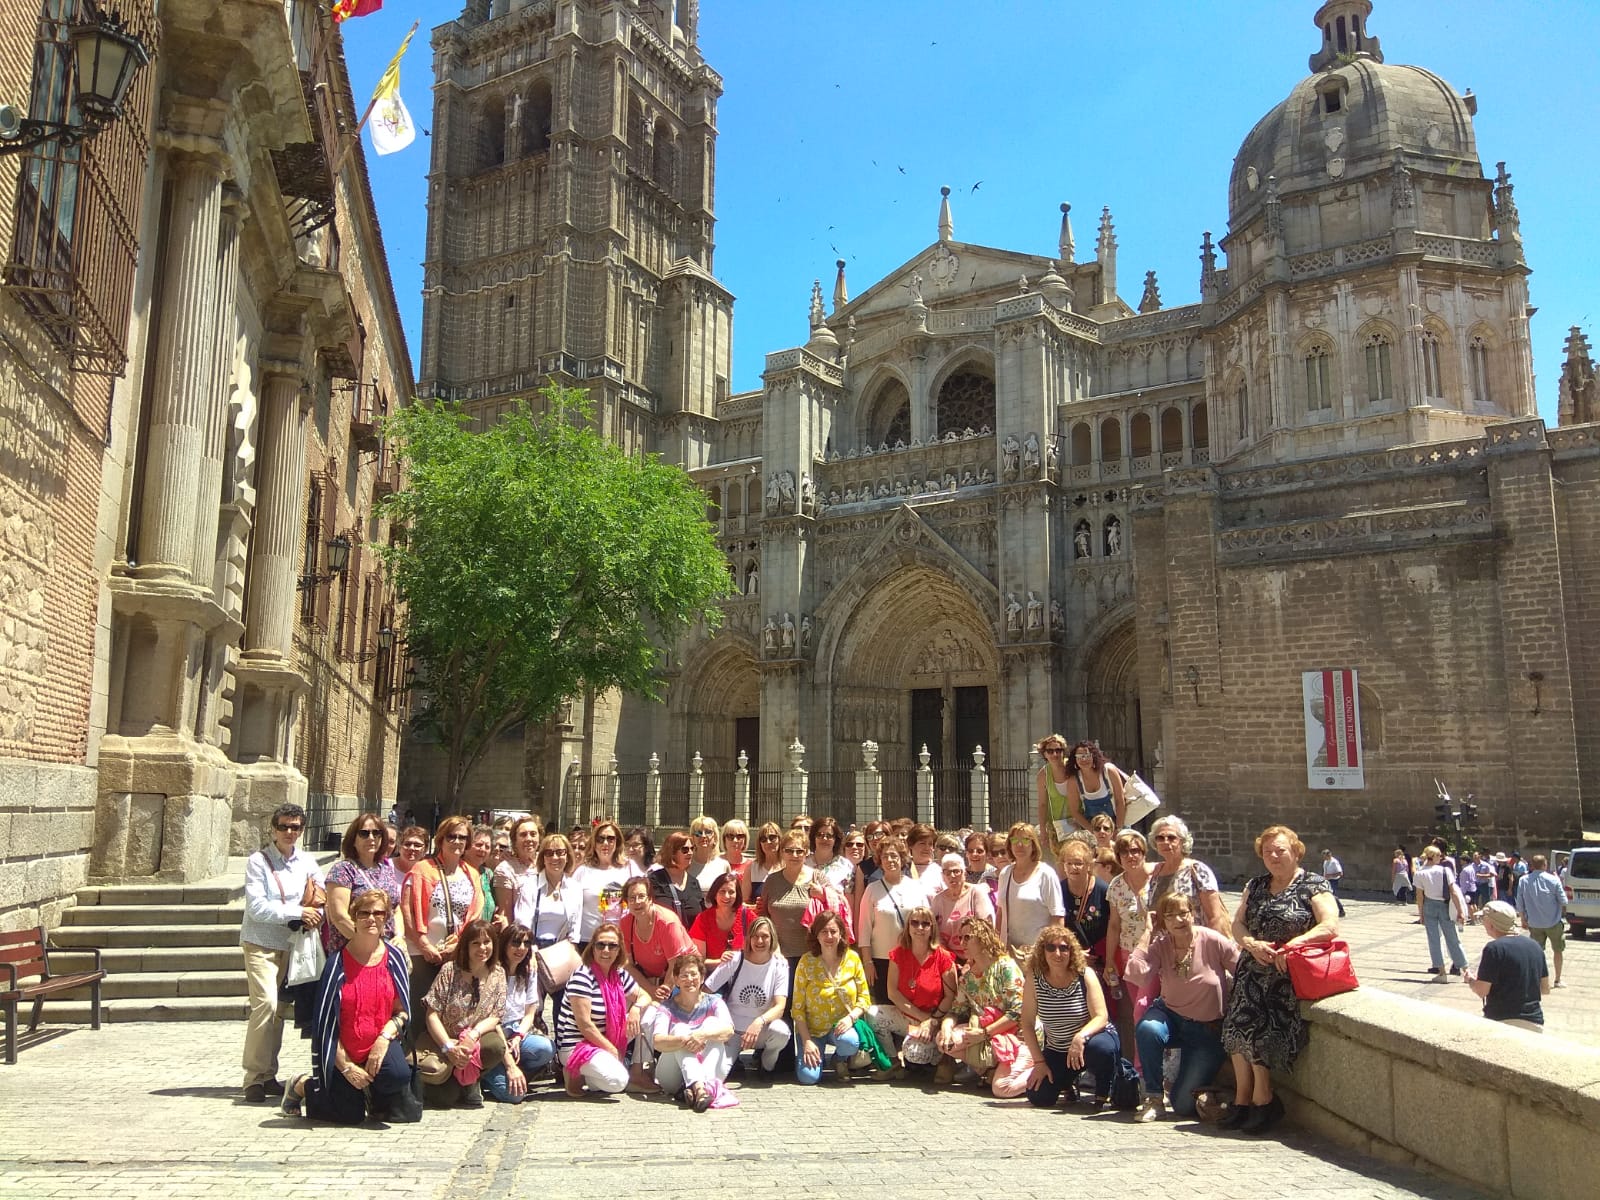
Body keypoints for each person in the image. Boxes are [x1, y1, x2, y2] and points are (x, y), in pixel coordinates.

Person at [1220, 825, 1338, 1134]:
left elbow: (1330, 925)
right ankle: (1242, 1099)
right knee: (1235, 1026)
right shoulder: (1256, 885)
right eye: (1267, 851)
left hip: (1288, 973)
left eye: (1280, 850)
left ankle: (1264, 1098)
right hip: (1252, 966)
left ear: (1296, 852)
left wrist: (1294, 944)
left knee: (1260, 1027)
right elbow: (1238, 924)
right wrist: (1251, 944)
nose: (1273, 856)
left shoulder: (1313, 884)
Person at [280, 890, 414, 1124]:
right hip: (343, 1050)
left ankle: (372, 1095)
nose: (371, 919)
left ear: (387, 918)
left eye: (379, 913)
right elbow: (325, 1026)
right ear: (354, 916)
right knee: (348, 1116)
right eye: (364, 913)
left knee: (398, 1076)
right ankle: (302, 1086)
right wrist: (346, 1067)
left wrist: (384, 1039)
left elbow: (402, 1012)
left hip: (378, 1042)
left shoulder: (395, 958)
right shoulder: (336, 965)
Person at [1126, 891, 1237, 1121]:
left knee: (1183, 1105)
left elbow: (1242, 969)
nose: (1178, 920)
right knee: (1148, 1029)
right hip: (1171, 1015)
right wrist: (1148, 932)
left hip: (1206, 1029)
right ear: (1163, 921)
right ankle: (1154, 1098)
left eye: (1183, 913)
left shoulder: (1211, 940)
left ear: (1193, 914)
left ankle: (1197, 1088)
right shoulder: (1161, 944)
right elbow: (1138, 975)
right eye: (1170, 916)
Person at [240, 803, 326, 1103]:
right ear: (273, 829)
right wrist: (298, 911)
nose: (290, 832)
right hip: (261, 943)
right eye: (284, 827)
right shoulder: (258, 861)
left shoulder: (307, 862)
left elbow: (321, 894)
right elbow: (257, 907)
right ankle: (252, 1077)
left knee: (277, 1012)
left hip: (293, 946)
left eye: (296, 827)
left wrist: (316, 911)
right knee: (265, 1004)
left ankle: (268, 1075)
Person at [1018, 925, 1118, 1109]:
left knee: (1101, 1050)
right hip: (1058, 1048)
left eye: (1064, 948)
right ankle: (1066, 1083)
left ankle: (1107, 1087)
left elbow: (1101, 1016)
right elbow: (1027, 1022)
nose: (1057, 953)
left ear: (1072, 951)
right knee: (1039, 1096)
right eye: (1051, 947)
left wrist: (1080, 1037)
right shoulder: (1034, 978)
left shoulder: (1085, 974)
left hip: (1090, 1042)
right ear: (1042, 951)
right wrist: (1039, 1062)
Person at [401, 815, 484, 1037]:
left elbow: (474, 915)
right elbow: (407, 910)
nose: (457, 841)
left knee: (451, 1012)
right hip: (422, 953)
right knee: (420, 1012)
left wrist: (458, 945)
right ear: (441, 839)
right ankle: (417, 1065)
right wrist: (424, 943)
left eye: (462, 837)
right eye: (451, 836)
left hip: (456, 954)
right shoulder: (422, 869)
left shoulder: (471, 874)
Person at [936, 916, 1032, 1097]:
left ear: (983, 938)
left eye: (967, 937)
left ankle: (1043, 1073)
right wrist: (946, 1028)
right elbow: (956, 1010)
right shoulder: (968, 977)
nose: (961, 943)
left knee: (1002, 1089)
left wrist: (984, 1033)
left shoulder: (1006, 967)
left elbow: (1017, 1012)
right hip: (990, 1035)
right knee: (945, 1041)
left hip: (1019, 1037)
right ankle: (988, 1071)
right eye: (960, 938)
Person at [416, 919, 507, 1107]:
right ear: (466, 946)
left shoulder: (498, 973)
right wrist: (449, 1047)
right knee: (445, 1099)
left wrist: (472, 1036)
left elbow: (496, 1015)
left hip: (474, 1042)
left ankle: (472, 1079)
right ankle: (453, 1081)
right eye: (476, 943)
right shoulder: (450, 971)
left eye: (487, 942)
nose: (482, 948)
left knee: (496, 1046)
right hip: (444, 1041)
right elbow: (431, 1014)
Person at [553, 924, 653, 1096]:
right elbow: (585, 1025)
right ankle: (575, 1072)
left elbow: (645, 997)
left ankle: (637, 1073)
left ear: (619, 949)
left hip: (605, 1039)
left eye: (612, 946)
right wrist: (612, 1050)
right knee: (618, 1081)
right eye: (601, 945)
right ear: (593, 948)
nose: (606, 950)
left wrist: (636, 1009)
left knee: (651, 1012)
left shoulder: (619, 974)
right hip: (577, 1045)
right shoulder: (583, 976)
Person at [647, 950, 736, 1110]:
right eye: (684, 975)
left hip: (711, 1067)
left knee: (712, 1023)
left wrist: (702, 1035)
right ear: (676, 980)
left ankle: (694, 1089)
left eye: (694, 975)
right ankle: (700, 1088)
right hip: (671, 1075)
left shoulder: (715, 1002)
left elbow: (729, 1031)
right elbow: (657, 1042)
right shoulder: (666, 1007)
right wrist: (685, 1040)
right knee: (680, 1029)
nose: (690, 980)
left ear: (702, 978)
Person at [872, 905, 956, 1071]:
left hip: (934, 1018)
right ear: (908, 927)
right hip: (908, 1016)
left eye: (925, 924)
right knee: (872, 1015)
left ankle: (939, 1056)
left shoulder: (943, 957)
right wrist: (921, 1017)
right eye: (915, 923)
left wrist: (931, 1021)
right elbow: (893, 993)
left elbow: (951, 996)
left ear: (932, 928)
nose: (919, 928)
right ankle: (893, 1062)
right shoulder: (898, 954)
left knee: (915, 1054)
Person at [704, 916, 791, 1074]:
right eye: (755, 936)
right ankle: (733, 1061)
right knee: (717, 1074)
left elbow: (780, 1007)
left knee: (782, 1032)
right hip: (732, 1030)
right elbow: (707, 989)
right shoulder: (735, 960)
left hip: (761, 1030)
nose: (759, 941)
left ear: (772, 939)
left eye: (765, 936)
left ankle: (766, 1064)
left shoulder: (780, 965)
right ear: (749, 938)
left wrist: (759, 1022)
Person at [791, 910, 870, 1084]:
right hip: (812, 1030)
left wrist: (850, 1018)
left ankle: (839, 1059)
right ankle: (816, 1055)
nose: (829, 936)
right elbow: (797, 1009)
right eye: (824, 932)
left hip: (840, 1028)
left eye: (833, 931)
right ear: (816, 935)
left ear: (841, 934)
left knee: (850, 1042)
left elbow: (864, 998)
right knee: (808, 1078)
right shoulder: (806, 962)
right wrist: (807, 1041)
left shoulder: (853, 959)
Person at [485, 922, 554, 1102]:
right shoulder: (493, 972)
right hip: (493, 1035)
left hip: (515, 1030)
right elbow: (492, 1019)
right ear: (505, 944)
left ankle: (517, 1074)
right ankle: (490, 1071)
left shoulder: (529, 971)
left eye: (526, 943)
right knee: (515, 1096)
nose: (521, 948)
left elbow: (530, 1012)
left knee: (546, 1049)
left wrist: (518, 1036)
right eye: (515, 943)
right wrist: (508, 1063)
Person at [856, 836, 924, 1003]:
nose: (890, 860)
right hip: (881, 961)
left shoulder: (915, 887)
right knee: (885, 1009)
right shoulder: (872, 889)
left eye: (894, 855)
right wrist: (867, 962)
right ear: (880, 861)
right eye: (885, 856)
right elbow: (864, 929)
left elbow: (927, 921)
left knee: (911, 1006)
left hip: (911, 957)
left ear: (902, 859)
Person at [323, 812, 402, 954]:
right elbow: (339, 916)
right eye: (364, 834)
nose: (371, 838)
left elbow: (396, 908)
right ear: (353, 839)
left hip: (385, 950)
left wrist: (399, 936)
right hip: (353, 951)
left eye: (376, 833)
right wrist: (370, 945)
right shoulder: (343, 870)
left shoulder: (386, 869)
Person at [1464, 901, 1549, 1031]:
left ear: (1491, 924)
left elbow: (1482, 991)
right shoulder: (1535, 946)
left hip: (1503, 1020)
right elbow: (1545, 989)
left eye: (1483, 919)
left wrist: (1470, 980)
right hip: (1534, 1021)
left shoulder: (1494, 949)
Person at [1145, 815, 1231, 936]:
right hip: (1162, 948)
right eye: (1160, 838)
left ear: (1182, 841)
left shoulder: (1198, 870)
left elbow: (1215, 917)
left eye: (1171, 837)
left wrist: (1208, 948)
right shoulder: (1155, 873)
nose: (1165, 842)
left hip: (1194, 944)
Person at [617, 875, 694, 1002]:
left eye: (641, 896)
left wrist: (662, 992)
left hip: (681, 975)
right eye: (632, 898)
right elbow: (628, 965)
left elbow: (676, 964)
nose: (637, 902)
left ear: (650, 898)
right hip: (650, 980)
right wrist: (650, 989)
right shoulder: (625, 923)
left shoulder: (667, 922)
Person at [996, 822, 1064, 954]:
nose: (1019, 845)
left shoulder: (1046, 874)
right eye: (1014, 840)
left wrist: (1050, 950)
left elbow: (1057, 916)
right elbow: (1000, 912)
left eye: (1025, 840)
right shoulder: (1005, 873)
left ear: (1033, 845)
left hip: (1038, 952)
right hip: (1009, 952)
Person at [574, 818, 639, 944]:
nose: (605, 843)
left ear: (617, 842)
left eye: (610, 839)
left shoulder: (630, 868)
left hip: (621, 940)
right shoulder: (582, 871)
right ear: (594, 842)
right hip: (588, 941)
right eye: (600, 839)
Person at [1057, 832, 1109, 972]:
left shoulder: (1104, 891)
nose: (1074, 867)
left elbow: (1113, 927)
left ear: (1088, 865)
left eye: (1079, 863)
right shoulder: (1058, 891)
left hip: (1100, 961)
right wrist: (1075, 953)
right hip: (1068, 959)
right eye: (1069, 863)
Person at [1414, 844, 1469, 977]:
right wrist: (1460, 910)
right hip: (1445, 905)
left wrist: (1421, 913)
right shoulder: (1445, 871)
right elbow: (1453, 892)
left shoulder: (1420, 873)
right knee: (1452, 938)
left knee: (1434, 939)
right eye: (1438, 855)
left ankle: (1441, 971)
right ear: (1432, 857)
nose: (1441, 857)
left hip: (1429, 905)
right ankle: (1465, 970)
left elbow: (1420, 896)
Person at [930, 852, 995, 962]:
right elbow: (934, 934)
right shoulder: (938, 900)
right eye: (947, 872)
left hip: (977, 957)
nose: (952, 876)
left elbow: (986, 928)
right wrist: (948, 960)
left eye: (956, 871)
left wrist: (972, 960)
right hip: (948, 959)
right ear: (942, 876)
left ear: (964, 873)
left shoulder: (976, 893)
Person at [1515, 854, 1568, 988]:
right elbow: (1564, 901)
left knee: (1537, 953)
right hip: (1553, 921)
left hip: (1534, 923)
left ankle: (1538, 980)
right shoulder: (1553, 880)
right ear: (1545, 865)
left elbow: (1519, 902)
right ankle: (1557, 980)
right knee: (1558, 951)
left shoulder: (1523, 880)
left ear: (1531, 866)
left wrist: (1523, 918)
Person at [689, 871, 755, 963]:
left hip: (742, 973)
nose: (726, 896)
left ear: (737, 894)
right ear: (715, 894)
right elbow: (698, 960)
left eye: (731, 892)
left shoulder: (747, 915)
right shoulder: (703, 919)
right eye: (722, 891)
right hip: (712, 974)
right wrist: (720, 962)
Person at [1063, 740, 1127, 832]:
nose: (1084, 759)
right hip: (1092, 828)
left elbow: (1120, 801)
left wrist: (1118, 829)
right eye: (1080, 757)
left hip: (1117, 824)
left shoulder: (1108, 771)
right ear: (1075, 759)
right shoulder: (1074, 780)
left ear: (1094, 756)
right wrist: (1094, 832)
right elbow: (1075, 812)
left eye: (1087, 756)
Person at [491, 816, 543, 925]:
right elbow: (506, 914)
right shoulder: (505, 869)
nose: (529, 838)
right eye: (523, 835)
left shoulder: (547, 862)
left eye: (533, 834)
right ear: (514, 840)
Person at [649, 831, 706, 927]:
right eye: (685, 850)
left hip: (690, 940)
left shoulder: (694, 883)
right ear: (672, 852)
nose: (690, 853)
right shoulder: (654, 880)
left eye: (692, 849)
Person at [1034, 733, 1077, 861]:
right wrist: (1043, 830)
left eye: (1058, 750)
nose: (1055, 754)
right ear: (1044, 754)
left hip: (1078, 822)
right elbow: (1042, 804)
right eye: (1050, 751)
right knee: (1061, 860)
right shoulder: (1043, 775)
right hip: (1058, 826)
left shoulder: (1073, 767)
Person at [742, 821, 784, 904]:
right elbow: (744, 902)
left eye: (772, 837)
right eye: (763, 839)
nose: (768, 842)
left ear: (779, 839)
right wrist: (756, 908)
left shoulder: (788, 866)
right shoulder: (752, 868)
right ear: (759, 843)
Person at [464, 824, 498, 924]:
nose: (483, 849)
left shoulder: (488, 875)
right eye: (479, 844)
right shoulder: (456, 871)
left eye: (487, 847)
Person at [809, 816, 854, 890]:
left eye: (829, 836)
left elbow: (849, 900)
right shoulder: (803, 863)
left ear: (836, 840)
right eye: (820, 835)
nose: (824, 839)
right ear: (813, 838)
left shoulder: (845, 865)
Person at [688, 814, 730, 893]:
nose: (703, 836)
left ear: (715, 837)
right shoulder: (686, 864)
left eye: (708, 832)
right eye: (698, 833)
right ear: (692, 838)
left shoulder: (724, 865)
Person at [905, 823, 943, 901]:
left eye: (930, 844)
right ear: (911, 845)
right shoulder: (903, 870)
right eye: (922, 843)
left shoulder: (940, 872)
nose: (927, 848)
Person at [964, 830, 998, 905]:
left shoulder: (995, 875)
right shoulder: (961, 875)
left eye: (979, 851)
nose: (974, 854)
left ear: (987, 853)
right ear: (966, 853)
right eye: (970, 851)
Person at [1320, 848, 1346, 917]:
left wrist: (1330, 875)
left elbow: (1340, 873)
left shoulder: (1334, 862)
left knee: (1333, 895)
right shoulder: (1325, 862)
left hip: (1333, 880)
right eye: (1323, 856)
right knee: (1325, 895)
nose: (1324, 858)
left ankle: (1341, 910)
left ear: (1329, 855)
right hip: (1327, 880)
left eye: (1325, 856)